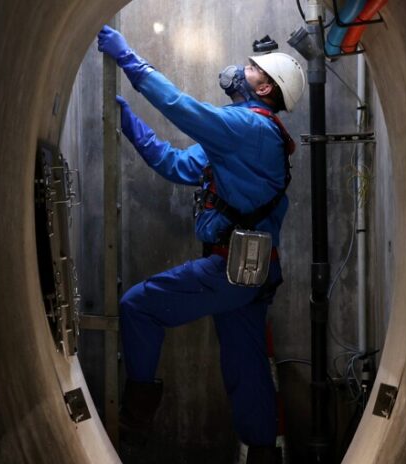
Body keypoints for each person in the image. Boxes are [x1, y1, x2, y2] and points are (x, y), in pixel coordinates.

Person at [98, 25, 305, 464]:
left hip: (230, 270)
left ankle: (136, 415)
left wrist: (130, 61)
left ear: (265, 87)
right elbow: (176, 165)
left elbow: (180, 107)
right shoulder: (235, 139)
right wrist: (129, 125)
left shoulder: (248, 128)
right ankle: (265, 456)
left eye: (252, 68)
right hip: (250, 273)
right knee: (247, 368)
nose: (241, 68)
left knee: (139, 307)